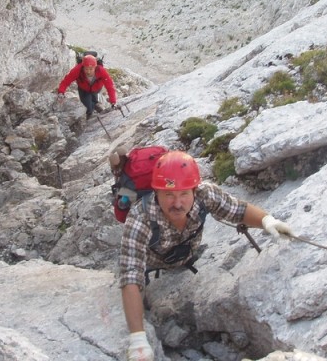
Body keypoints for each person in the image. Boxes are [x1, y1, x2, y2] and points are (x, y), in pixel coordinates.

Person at [119, 151, 293, 361]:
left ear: (194, 190)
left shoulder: (205, 194)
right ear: (156, 192)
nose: (177, 203)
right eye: (169, 195)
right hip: (151, 261)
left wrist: (268, 222)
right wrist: (138, 339)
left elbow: (238, 210)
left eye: (184, 194)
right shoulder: (140, 218)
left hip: (185, 254)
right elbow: (131, 275)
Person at [57, 54, 118, 119]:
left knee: (93, 98)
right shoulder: (77, 69)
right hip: (84, 89)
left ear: (95, 67)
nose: (88, 71)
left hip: (96, 88)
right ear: (83, 67)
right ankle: (90, 113)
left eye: (91, 69)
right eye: (86, 69)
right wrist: (61, 92)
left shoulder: (101, 71)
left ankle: (95, 105)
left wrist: (113, 101)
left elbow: (110, 86)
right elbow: (66, 81)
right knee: (87, 105)